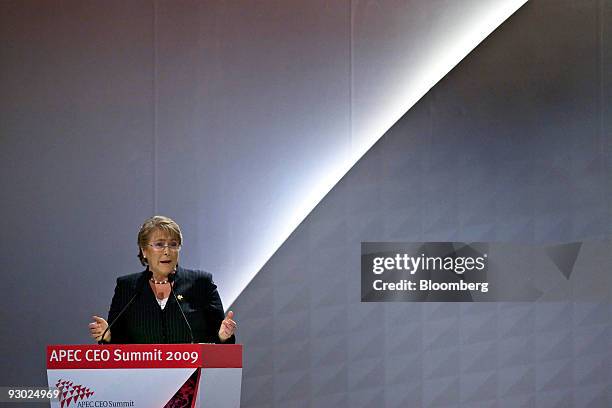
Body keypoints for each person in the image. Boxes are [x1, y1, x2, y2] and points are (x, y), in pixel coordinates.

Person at [89, 215, 236, 344]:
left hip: (194, 373)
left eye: (173, 244)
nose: (167, 251)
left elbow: (219, 339)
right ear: (144, 250)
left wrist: (223, 336)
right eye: (159, 244)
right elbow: (120, 346)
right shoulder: (128, 287)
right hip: (142, 374)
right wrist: (108, 337)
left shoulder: (201, 283)